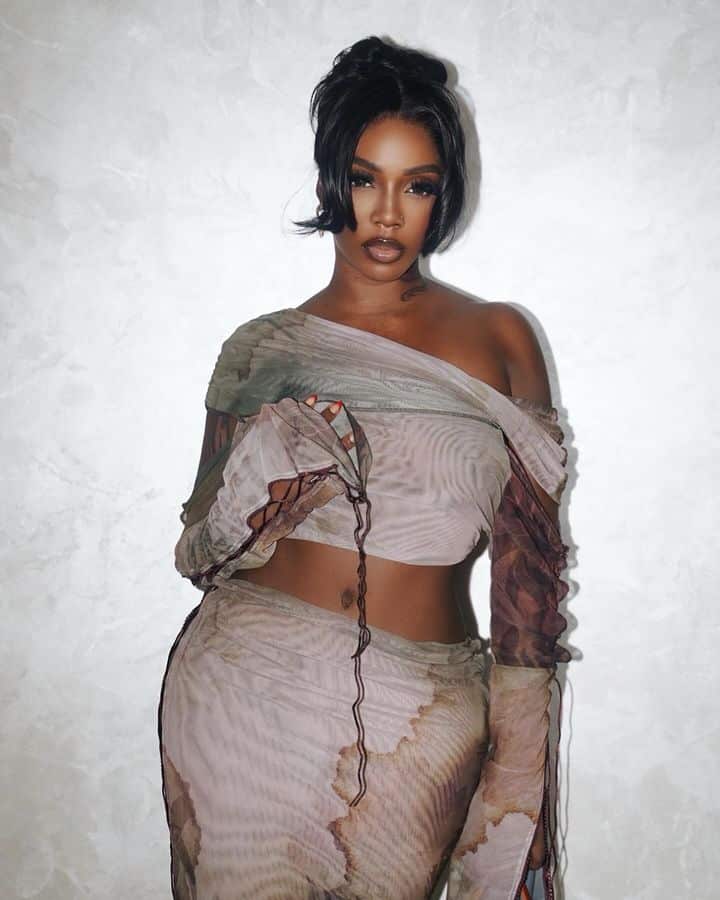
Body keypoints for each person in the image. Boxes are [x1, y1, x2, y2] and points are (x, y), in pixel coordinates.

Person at [158, 35, 571, 900]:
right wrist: (269, 473)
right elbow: (199, 552)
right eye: (363, 179)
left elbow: (530, 575)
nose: (387, 213)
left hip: (423, 722)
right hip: (243, 696)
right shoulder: (263, 350)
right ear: (331, 182)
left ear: (441, 195)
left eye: (417, 185)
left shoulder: (500, 339)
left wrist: (519, 770)